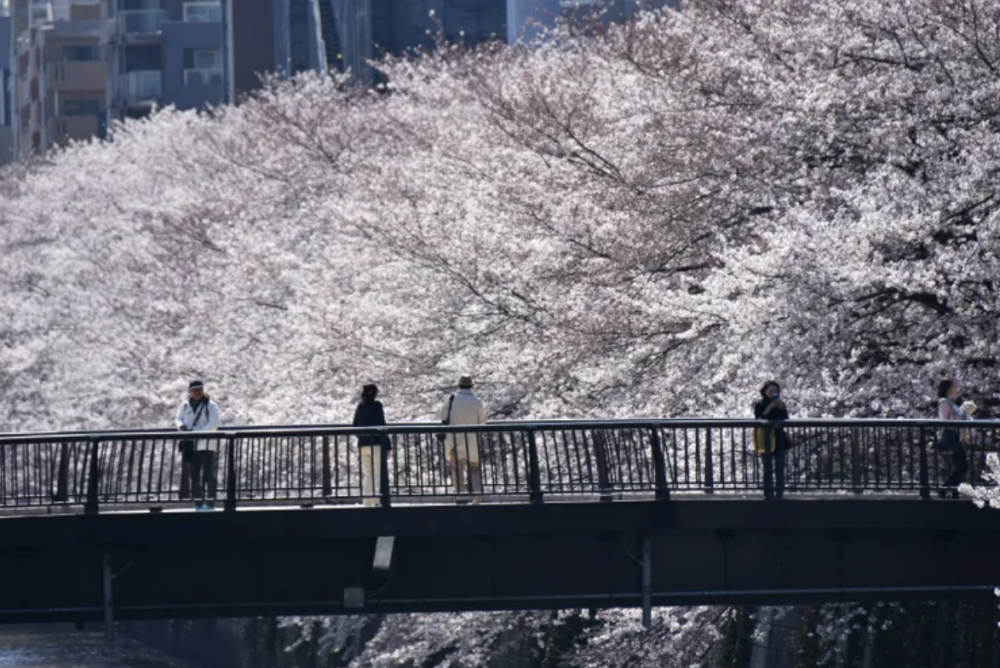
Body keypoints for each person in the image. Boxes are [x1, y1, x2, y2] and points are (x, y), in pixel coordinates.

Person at [438, 375, 487, 504]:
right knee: (475, 469)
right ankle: (478, 496)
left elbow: (443, 417)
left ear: (459, 385)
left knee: (457, 468)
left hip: (454, 440)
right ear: (471, 386)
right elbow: (482, 423)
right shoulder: (477, 401)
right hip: (472, 441)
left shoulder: (452, 399)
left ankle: (461, 495)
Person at [175, 380, 220, 510]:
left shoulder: (210, 405)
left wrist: (199, 433)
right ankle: (198, 503)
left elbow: (214, 423)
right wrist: (181, 427)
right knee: (194, 476)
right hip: (190, 446)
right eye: (194, 390)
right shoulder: (184, 405)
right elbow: (178, 418)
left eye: (199, 389)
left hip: (206, 445)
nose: (197, 392)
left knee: (208, 475)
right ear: (190, 391)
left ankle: (210, 503)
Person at [353, 384, 389, 506]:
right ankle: (377, 500)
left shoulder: (360, 407)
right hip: (377, 443)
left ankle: (366, 501)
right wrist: (388, 446)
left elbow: (354, 426)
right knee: (378, 473)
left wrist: (362, 436)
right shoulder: (377, 406)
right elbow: (382, 425)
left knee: (368, 474)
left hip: (363, 445)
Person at [753, 380, 789, 500]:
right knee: (767, 467)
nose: (773, 393)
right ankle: (768, 494)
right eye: (771, 391)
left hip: (779, 439)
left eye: (775, 391)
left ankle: (780, 495)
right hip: (766, 439)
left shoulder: (781, 403)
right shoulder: (760, 404)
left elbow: (786, 419)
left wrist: (781, 408)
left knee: (780, 467)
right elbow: (759, 419)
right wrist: (769, 408)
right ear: (765, 392)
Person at [937, 378, 970, 499]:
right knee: (962, 466)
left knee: (961, 466)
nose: (956, 389)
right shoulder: (944, 402)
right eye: (953, 387)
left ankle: (954, 491)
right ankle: (945, 488)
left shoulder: (951, 402)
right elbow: (944, 420)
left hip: (956, 435)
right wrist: (956, 416)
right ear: (948, 389)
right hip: (951, 435)